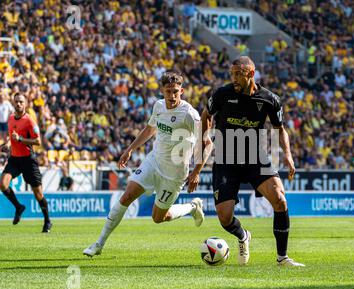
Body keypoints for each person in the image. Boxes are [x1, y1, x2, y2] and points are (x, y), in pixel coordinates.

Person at [83, 72, 207, 257]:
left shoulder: (189, 114)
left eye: (175, 92)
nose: (172, 96)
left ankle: (192, 207)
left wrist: (196, 172)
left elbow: (206, 143)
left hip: (174, 174)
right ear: (162, 91)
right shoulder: (158, 106)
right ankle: (99, 244)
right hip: (154, 162)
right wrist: (130, 149)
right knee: (126, 197)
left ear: (182, 91)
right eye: (168, 92)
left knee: (159, 218)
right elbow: (150, 129)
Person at [198, 56, 304, 267]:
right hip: (227, 159)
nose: (234, 78)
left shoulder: (269, 99)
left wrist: (288, 155)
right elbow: (206, 114)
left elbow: (280, 129)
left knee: (280, 200)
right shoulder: (222, 94)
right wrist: (205, 136)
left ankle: (282, 257)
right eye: (232, 74)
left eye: (239, 74)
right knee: (225, 218)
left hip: (255, 157)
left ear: (251, 73)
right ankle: (243, 236)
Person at [0, 92, 52, 232]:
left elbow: (38, 141)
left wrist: (21, 140)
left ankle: (47, 221)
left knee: (38, 194)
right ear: (13, 102)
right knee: (3, 184)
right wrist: (8, 145)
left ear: (25, 104)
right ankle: (18, 207)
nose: (18, 104)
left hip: (28, 160)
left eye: (21, 102)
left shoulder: (29, 121)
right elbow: (12, 138)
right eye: (16, 101)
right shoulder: (10, 119)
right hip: (15, 159)